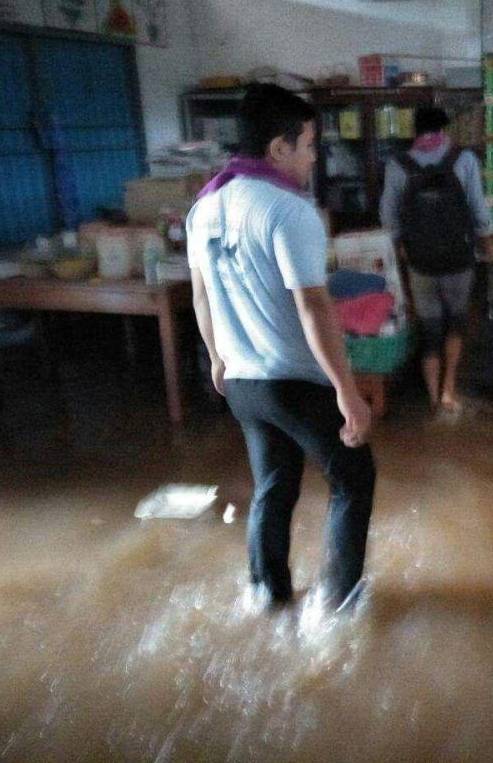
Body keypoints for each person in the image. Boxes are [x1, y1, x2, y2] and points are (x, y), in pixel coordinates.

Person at [187, 84, 375, 610]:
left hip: (242, 383)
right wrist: (347, 392)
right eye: (310, 145)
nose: (315, 158)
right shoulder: (290, 212)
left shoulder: (205, 206)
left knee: (274, 485)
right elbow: (313, 306)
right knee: (354, 477)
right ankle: (338, 606)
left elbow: (202, 296)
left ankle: (266, 595)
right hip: (293, 380)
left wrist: (218, 359)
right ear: (278, 148)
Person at [379, 106, 493, 412]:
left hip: (419, 261)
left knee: (429, 329)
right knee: (456, 323)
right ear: (445, 128)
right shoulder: (463, 160)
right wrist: (489, 245)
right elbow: (479, 209)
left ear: (415, 131)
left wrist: (400, 249)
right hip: (459, 258)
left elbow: (388, 216)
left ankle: (431, 396)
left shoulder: (398, 165)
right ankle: (450, 389)